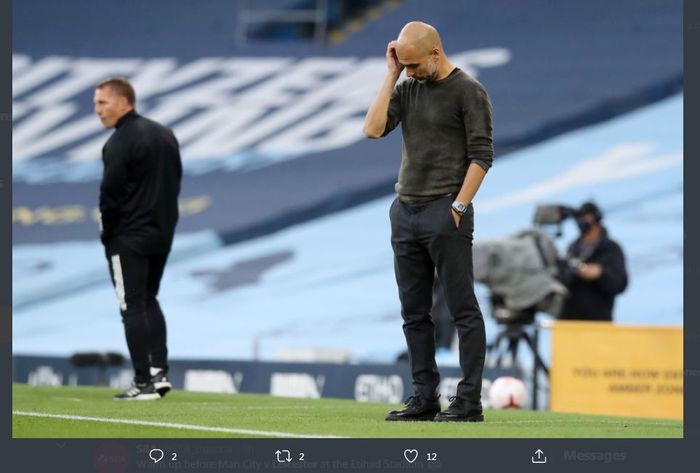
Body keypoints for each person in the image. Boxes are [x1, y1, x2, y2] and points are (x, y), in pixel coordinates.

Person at [363, 21, 493, 422]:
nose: (412, 72)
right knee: (414, 311)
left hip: (444, 210)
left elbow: (481, 156)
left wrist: (458, 208)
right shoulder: (407, 86)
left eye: (415, 64)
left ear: (436, 53)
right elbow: (372, 129)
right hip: (405, 210)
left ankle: (469, 400)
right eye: (406, 66)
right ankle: (424, 397)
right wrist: (391, 74)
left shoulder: (468, 91)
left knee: (461, 308)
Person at [94, 77, 182, 400]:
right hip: (162, 233)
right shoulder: (164, 134)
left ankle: (143, 381)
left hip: (129, 238)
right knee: (148, 299)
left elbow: (110, 196)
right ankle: (159, 373)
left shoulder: (118, 143)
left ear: (124, 101)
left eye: (103, 103)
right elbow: (175, 182)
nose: (98, 111)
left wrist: (108, 233)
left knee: (131, 306)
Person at [559, 202, 628, 321]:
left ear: (596, 218)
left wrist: (601, 273)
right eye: (580, 218)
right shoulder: (573, 248)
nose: (582, 221)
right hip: (569, 320)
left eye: (586, 217)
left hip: (597, 321)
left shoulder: (610, 248)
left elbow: (620, 282)